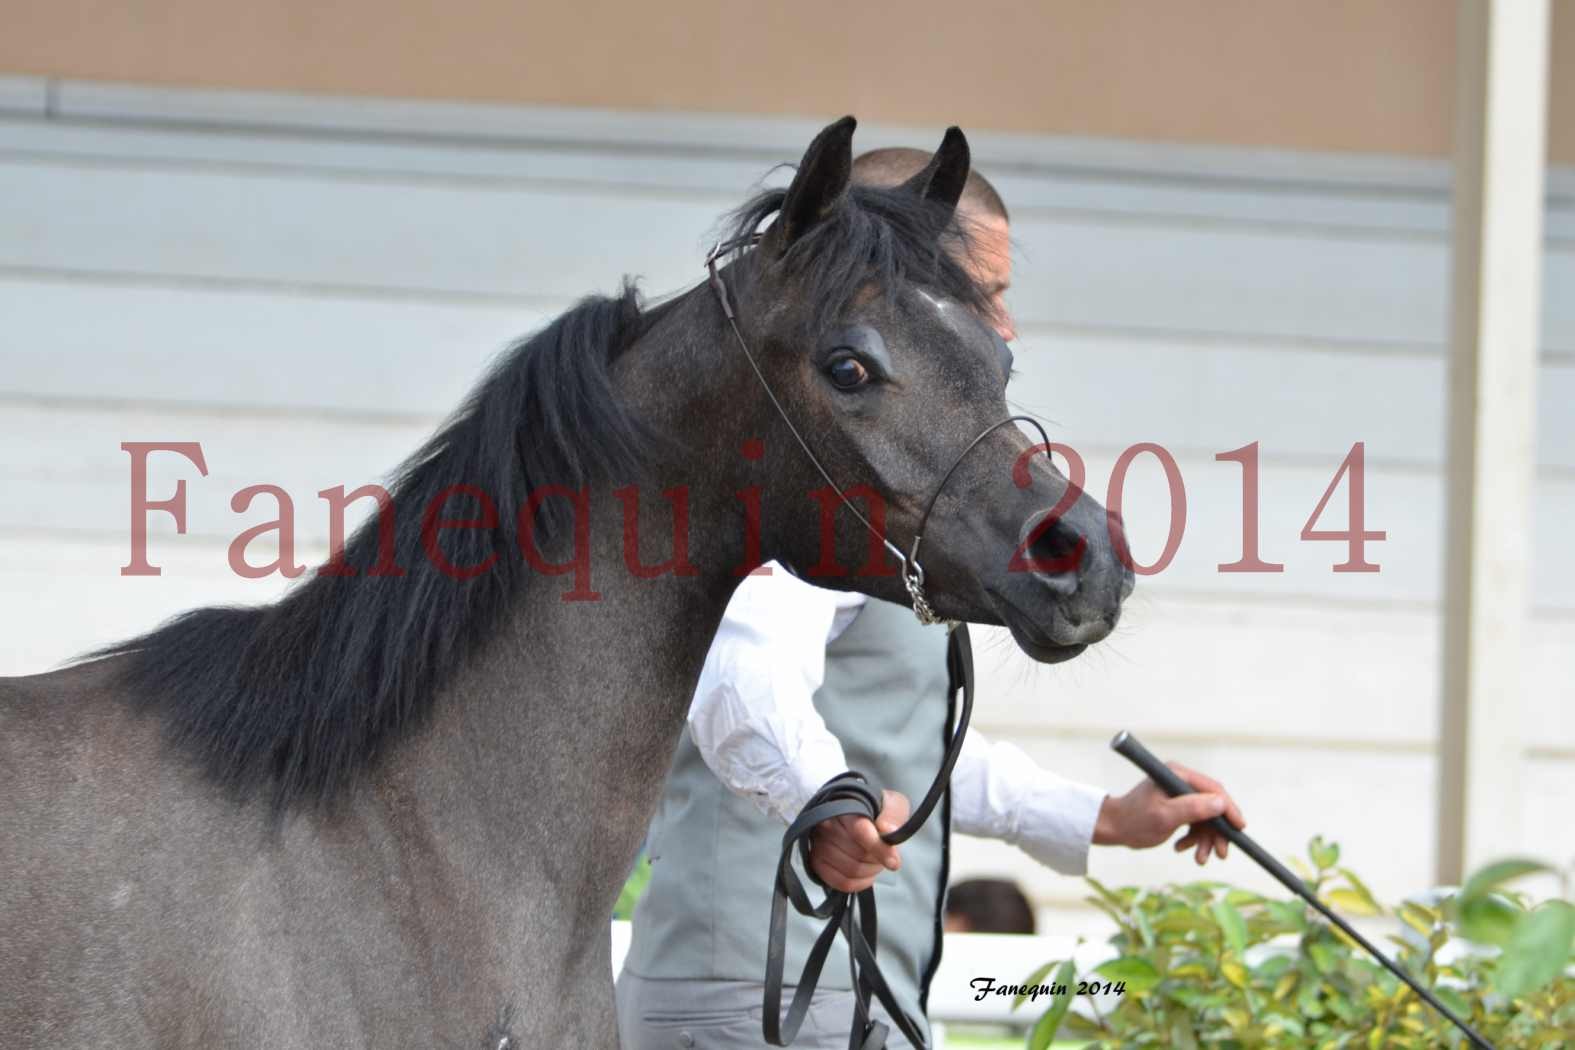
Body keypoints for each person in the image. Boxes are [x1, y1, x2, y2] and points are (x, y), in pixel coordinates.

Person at [615, 148, 1246, 1050]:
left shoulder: (891, 506)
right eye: (984, 290)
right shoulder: (814, 487)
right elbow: (742, 675)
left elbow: (896, 745)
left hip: (838, 990)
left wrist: (1099, 818)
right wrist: (823, 805)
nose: (1007, 324)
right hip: (762, 998)